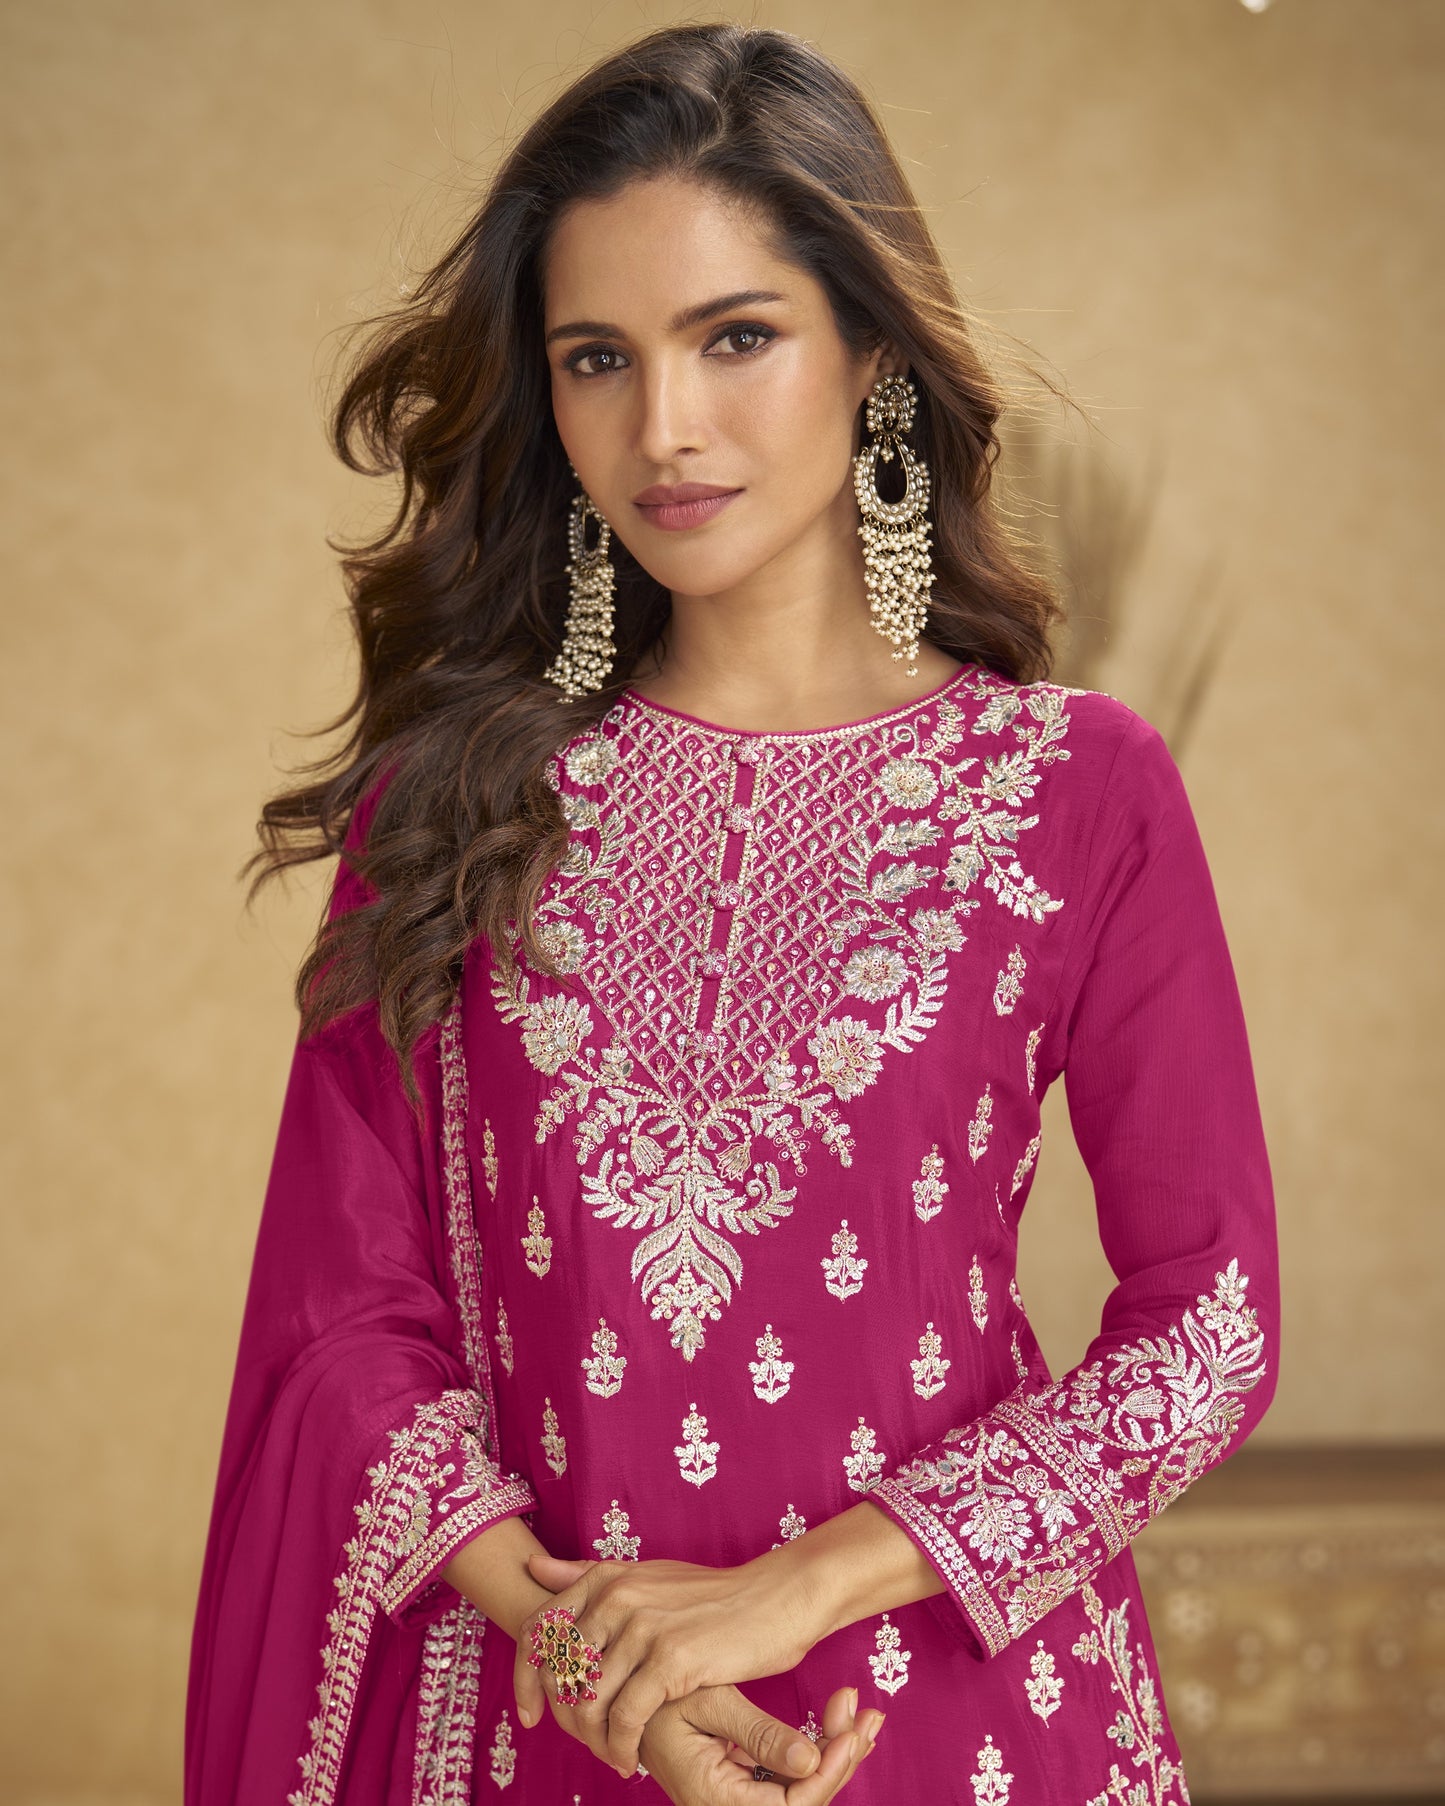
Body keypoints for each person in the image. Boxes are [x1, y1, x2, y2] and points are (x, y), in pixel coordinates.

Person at [185, 21, 1280, 1805]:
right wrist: (593, 1646)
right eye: (595, 358)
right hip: (548, 1710)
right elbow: (342, 1314)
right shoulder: (447, 804)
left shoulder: (1077, 791)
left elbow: (1207, 1319)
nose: (662, 428)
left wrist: (786, 1596)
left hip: (953, 1708)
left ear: (872, 351)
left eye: (736, 337)